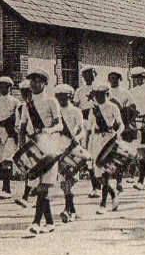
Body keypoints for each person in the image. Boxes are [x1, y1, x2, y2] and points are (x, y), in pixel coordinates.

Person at [21, 70, 63, 233]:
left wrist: (49, 130)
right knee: (38, 186)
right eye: (32, 81)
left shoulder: (52, 101)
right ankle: (50, 222)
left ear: (45, 83)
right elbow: (22, 128)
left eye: (38, 81)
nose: (34, 84)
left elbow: (59, 125)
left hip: (50, 146)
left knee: (43, 186)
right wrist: (21, 148)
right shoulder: (27, 104)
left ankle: (36, 223)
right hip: (34, 148)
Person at [86, 81, 125, 213]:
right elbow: (89, 128)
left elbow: (120, 124)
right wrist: (87, 146)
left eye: (101, 94)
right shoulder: (93, 109)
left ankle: (103, 204)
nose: (98, 97)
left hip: (109, 139)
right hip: (96, 140)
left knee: (106, 172)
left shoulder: (113, 107)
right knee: (97, 174)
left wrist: (118, 133)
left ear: (107, 94)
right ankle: (113, 193)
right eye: (96, 94)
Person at [54, 84, 86, 222]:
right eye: (58, 96)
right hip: (59, 148)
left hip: (72, 148)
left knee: (69, 180)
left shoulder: (76, 111)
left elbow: (82, 130)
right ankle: (71, 210)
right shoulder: (55, 111)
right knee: (63, 182)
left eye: (64, 96)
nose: (61, 99)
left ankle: (67, 210)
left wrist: (77, 138)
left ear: (70, 96)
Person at [73, 66, 102, 196]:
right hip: (86, 123)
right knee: (89, 154)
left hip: (100, 123)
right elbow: (75, 107)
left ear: (95, 74)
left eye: (91, 74)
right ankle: (95, 186)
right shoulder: (79, 91)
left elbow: (113, 103)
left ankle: (108, 184)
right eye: (85, 74)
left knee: (100, 153)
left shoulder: (101, 88)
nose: (89, 76)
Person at [0, 76, 19, 199]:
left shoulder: (15, 101)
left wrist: (15, 131)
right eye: (0, 86)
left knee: (7, 159)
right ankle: (5, 188)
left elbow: (17, 119)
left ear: (9, 87)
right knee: (1, 160)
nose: (2, 88)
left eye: (5, 86)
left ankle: (6, 189)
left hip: (10, 132)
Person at [14, 79, 38, 208]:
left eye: (28, 92)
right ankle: (27, 197)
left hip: (43, 140)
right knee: (31, 168)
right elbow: (19, 126)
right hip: (30, 140)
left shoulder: (40, 104)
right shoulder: (22, 108)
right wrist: (21, 143)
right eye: (23, 93)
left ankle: (27, 196)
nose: (26, 96)